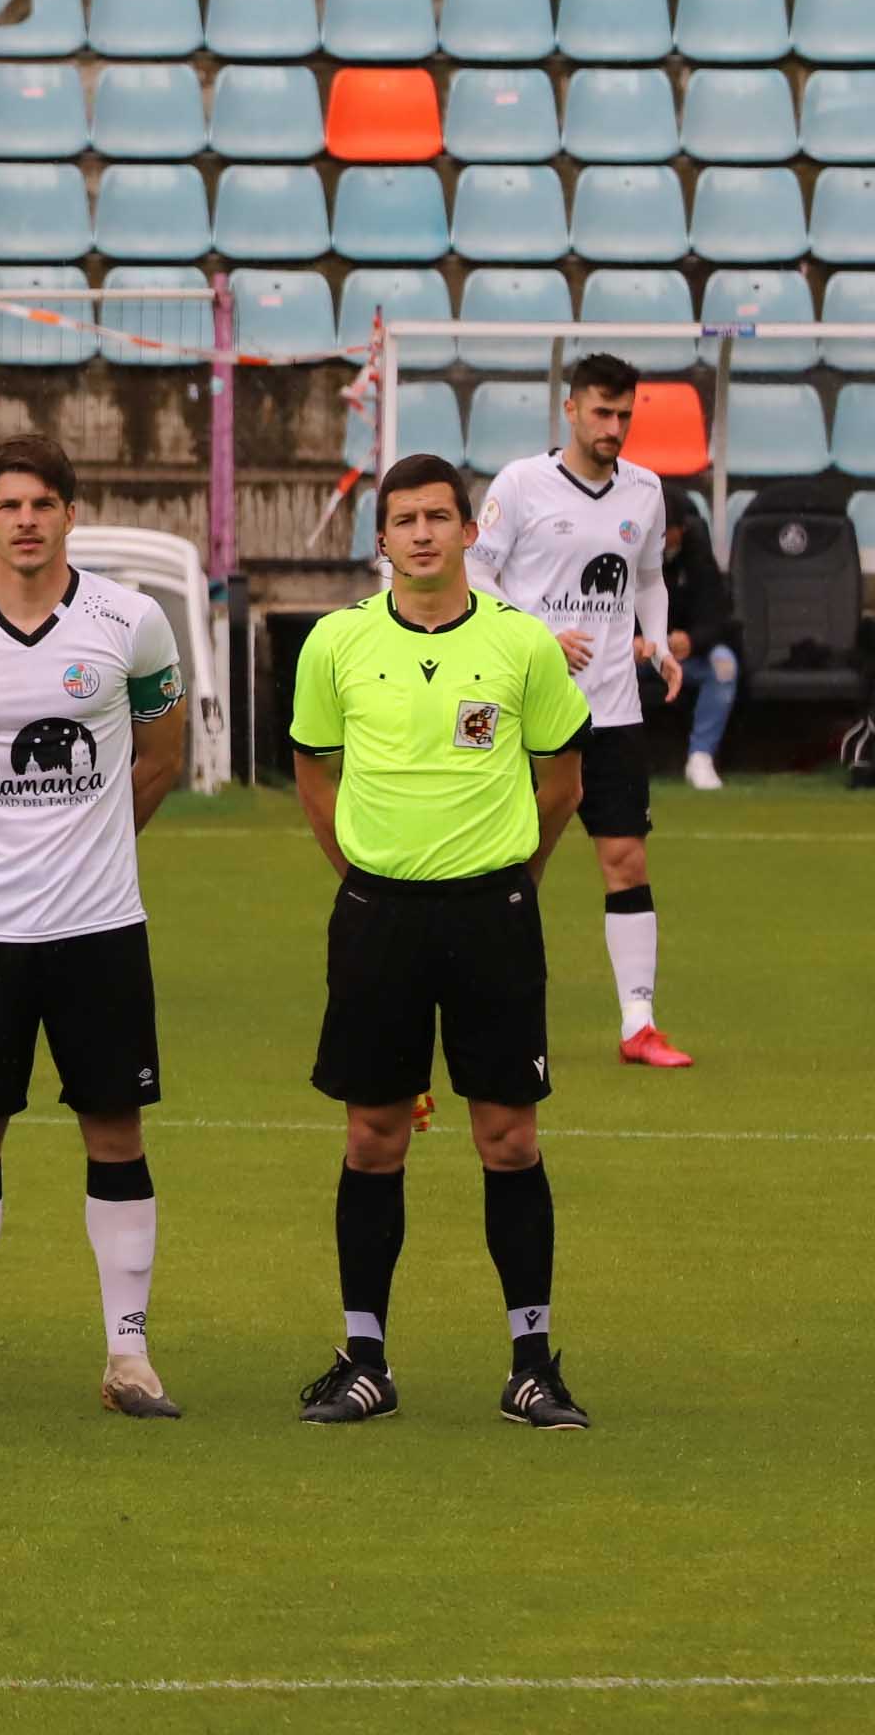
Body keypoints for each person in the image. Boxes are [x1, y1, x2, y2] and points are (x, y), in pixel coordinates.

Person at [0, 436, 189, 1420]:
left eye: (43, 503)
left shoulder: (134, 621)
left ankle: (130, 1356)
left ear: (70, 514)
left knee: (116, 1129)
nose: (26, 520)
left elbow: (161, 756)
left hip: (102, 926)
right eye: (9, 505)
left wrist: (92, 846)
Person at [291, 455, 596, 1431]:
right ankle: (364, 1361)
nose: (421, 534)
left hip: (490, 915)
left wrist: (512, 881)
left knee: (509, 1138)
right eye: (403, 520)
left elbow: (561, 782)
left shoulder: (522, 644)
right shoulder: (336, 642)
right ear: (380, 539)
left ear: (470, 530)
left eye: (437, 517)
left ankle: (532, 1366)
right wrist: (363, 876)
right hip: (377, 915)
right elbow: (314, 772)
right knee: (372, 1137)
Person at [470, 353, 696, 1071]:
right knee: (514, 866)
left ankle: (639, 1024)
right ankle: (497, 1013)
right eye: (601, 412)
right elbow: (476, 573)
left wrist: (657, 643)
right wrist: (538, 636)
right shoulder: (520, 484)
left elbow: (650, 579)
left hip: (615, 709)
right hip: (532, 709)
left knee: (626, 860)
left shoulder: (646, 490)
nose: (613, 427)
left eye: (624, 414)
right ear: (570, 410)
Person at [651, 490, 739, 793]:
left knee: (724, 664)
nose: (662, 539)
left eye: (667, 531)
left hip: (683, 655)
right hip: (637, 652)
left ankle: (701, 756)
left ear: (682, 529)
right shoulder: (626, 551)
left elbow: (718, 616)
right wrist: (637, 639)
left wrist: (693, 640)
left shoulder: (698, 554)